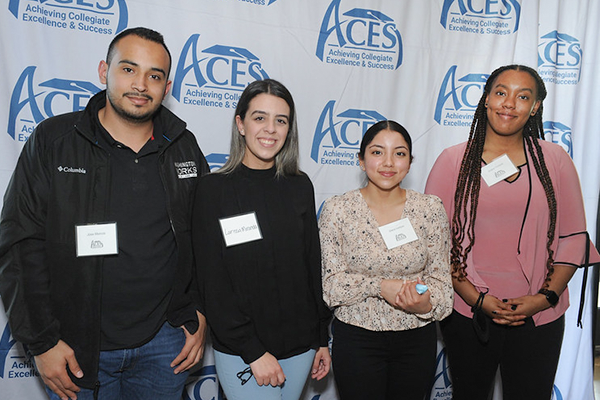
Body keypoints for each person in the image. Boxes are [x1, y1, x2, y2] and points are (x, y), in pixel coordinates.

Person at [0, 27, 209, 400]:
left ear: (167, 86)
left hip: (165, 345)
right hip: (77, 346)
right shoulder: (55, 141)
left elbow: (205, 239)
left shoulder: (183, 146)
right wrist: (43, 343)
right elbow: (20, 244)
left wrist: (200, 314)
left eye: (154, 75)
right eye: (128, 69)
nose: (141, 84)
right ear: (103, 71)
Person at [425, 64, 600, 399]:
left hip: (540, 315)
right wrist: (478, 300)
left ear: (535, 107)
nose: (509, 103)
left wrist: (543, 299)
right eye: (501, 92)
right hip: (469, 311)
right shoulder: (452, 161)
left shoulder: (555, 160)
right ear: (486, 99)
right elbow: (437, 246)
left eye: (523, 96)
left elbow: (573, 237)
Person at [192, 79, 331, 400]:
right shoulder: (212, 191)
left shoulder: (300, 185)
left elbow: (312, 266)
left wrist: (322, 338)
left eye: (280, 120)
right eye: (259, 118)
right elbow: (211, 283)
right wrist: (252, 351)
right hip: (243, 350)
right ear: (240, 124)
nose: (270, 129)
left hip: (300, 347)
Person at [319, 120, 454, 400]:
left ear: (410, 161)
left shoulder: (429, 208)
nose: (388, 162)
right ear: (360, 159)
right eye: (377, 152)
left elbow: (443, 286)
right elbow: (331, 286)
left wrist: (426, 303)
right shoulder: (337, 210)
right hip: (357, 339)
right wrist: (381, 287)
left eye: (400, 153)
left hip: (416, 339)